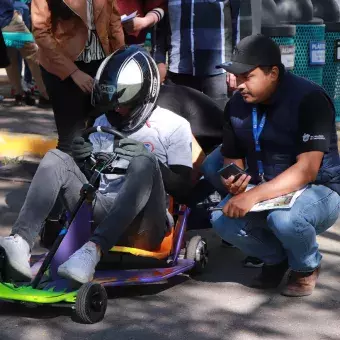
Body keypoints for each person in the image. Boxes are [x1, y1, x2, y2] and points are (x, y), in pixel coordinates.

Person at [0, 46, 194, 285]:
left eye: (122, 105)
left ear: (144, 97)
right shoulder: (103, 121)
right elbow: (92, 185)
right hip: (102, 210)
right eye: (111, 104)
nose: (115, 110)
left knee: (143, 162)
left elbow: (186, 190)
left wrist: (150, 160)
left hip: (146, 225)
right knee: (57, 158)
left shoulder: (174, 126)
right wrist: (83, 162)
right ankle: (20, 243)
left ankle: (92, 251)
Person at [202, 34, 340, 297]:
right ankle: (275, 260)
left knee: (285, 219)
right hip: (269, 187)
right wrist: (234, 179)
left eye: (247, 77)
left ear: (273, 72)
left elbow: (307, 170)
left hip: (319, 190)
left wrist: (252, 195)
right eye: (236, 77)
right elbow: (231, 155)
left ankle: (306, 266)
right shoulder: (236, 105)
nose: (238, 85)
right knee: (222, 219)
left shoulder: (310, 99)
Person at [31, 0, 124, 154]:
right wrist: (73, 72)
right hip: (61, 67)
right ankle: (64, 177)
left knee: (102, 134)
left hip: (101, 65)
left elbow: (114, 23)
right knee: (71, 141)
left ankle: (91, 177)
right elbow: (40, 32)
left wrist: (120, 62)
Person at [154, 0, 234, 110]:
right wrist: (159, 60)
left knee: (218, 121)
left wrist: (236, 64)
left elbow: (239, 21)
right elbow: (161, 26)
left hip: (218, 68)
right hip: (179, 68)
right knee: (181, 122)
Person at [1, 0, 49, 105]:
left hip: (4, 20)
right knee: (33, 54)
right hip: (9, 18)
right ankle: (45, 94)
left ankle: (18, 93)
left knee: (10, 58)